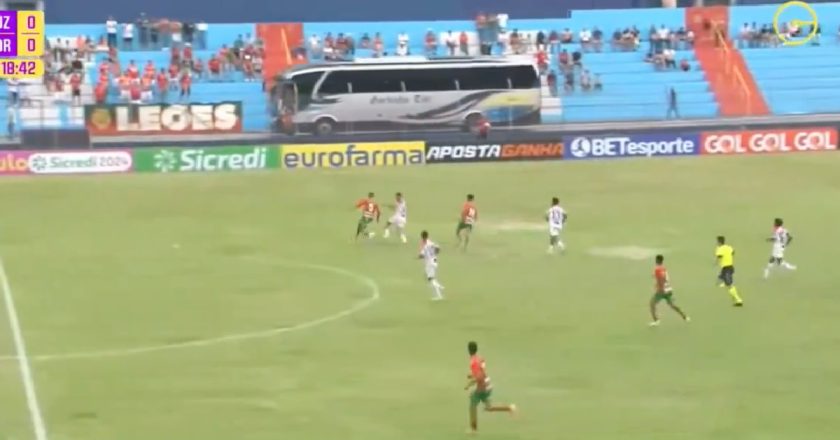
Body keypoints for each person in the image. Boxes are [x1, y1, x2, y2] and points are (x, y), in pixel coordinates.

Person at [464, 341, 516, 435]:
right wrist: (472, 375)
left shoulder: (473, 362)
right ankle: (509, 408)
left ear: (468, 350)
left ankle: (473, 429)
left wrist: (469, 384)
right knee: (489, 407)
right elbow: (481, 372)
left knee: (472, 404)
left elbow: (479, 377)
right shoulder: (479, 358)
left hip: (482, 387)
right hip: (487, 384)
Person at [649, 254, 690, 326]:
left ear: (657, 260)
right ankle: (685, 317)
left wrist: (660, 288)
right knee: (672, 305)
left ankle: (656, 321)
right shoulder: (664, 268)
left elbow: (660, 279)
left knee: (652, 304)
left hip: (662, 290)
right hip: (668, 289)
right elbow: (663, 277)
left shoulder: (657, 269)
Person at [716, 236, 744, 306]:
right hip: (729, 267)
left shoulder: (720, 249)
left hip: (726, 268)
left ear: (719, 242)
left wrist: (717, 262)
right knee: (720, 279)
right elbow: (733, 252)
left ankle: (738, 299)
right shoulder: (728, 247)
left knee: (730, 285)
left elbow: (719, 256)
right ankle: (724, 282)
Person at [419, 230, 444, 301]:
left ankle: (439, 295)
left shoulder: (424, 245)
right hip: (434, 261)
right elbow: (438, 248)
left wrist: (418, 257)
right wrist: (435, 253)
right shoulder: (431, 242)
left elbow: (422, 255)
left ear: (422, 237)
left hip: (429, 263)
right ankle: (438, 285)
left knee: (430, 279)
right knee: (427, 276)